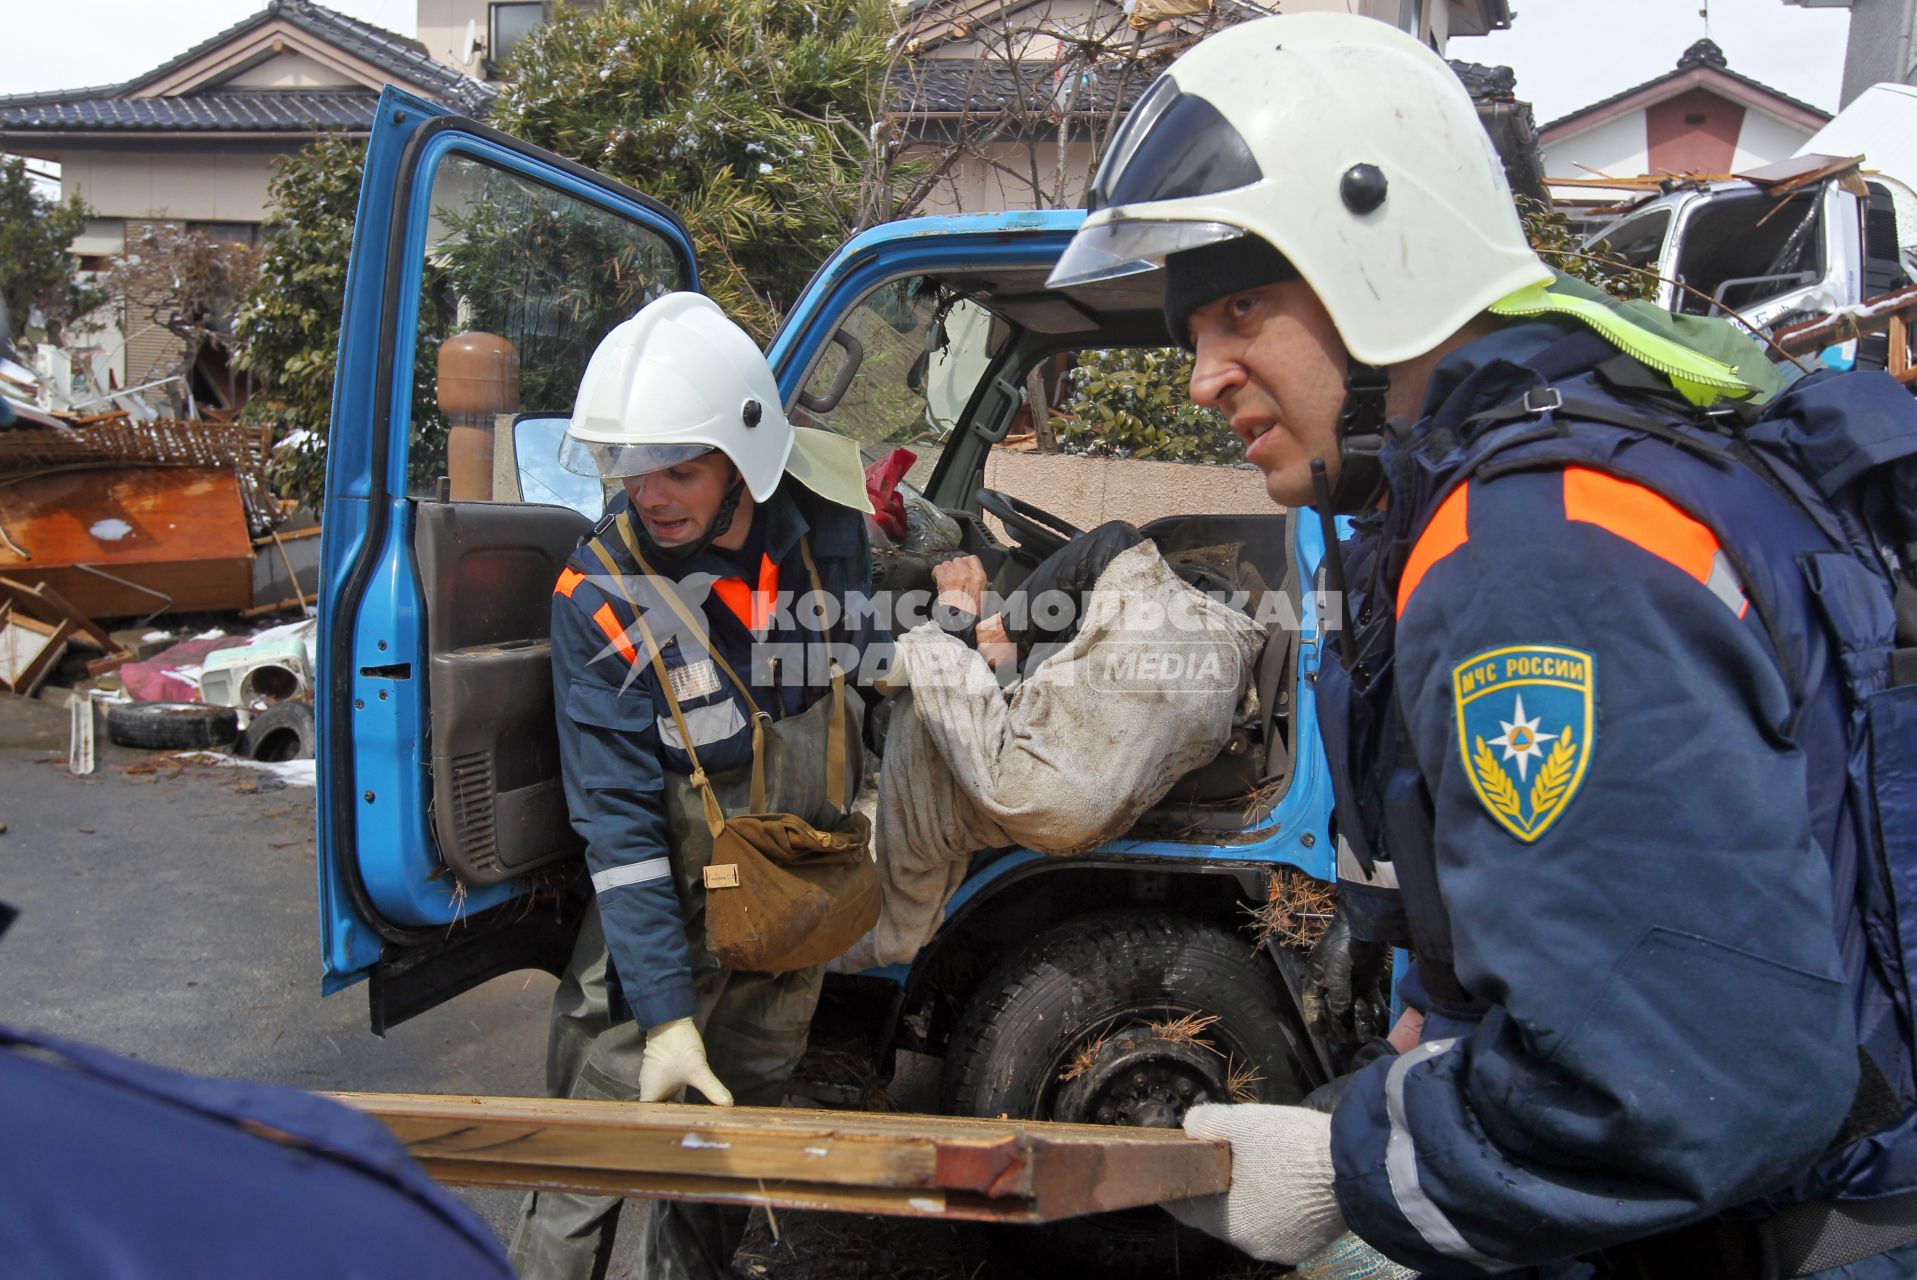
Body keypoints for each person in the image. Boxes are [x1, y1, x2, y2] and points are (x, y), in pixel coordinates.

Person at [1047, 13, 1917, 1279]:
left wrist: (1352, 1169)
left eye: (1242, 307)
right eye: (1193, 334)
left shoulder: (1536, 553)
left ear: (1383, 263)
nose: (1204, 376)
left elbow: (1670, 1088)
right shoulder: (1480, 496)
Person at [508, 292, 885, 1280]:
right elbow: (620, 825)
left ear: (745, 459)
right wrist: (665, 1012)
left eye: (681, 464)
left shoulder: (828, 534)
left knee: (726, 1152)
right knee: (591, 1159)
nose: (652, 491)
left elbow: (853, 676)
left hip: (792, 903)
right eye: (631, 465)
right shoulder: (597, 595)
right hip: (663, 917)